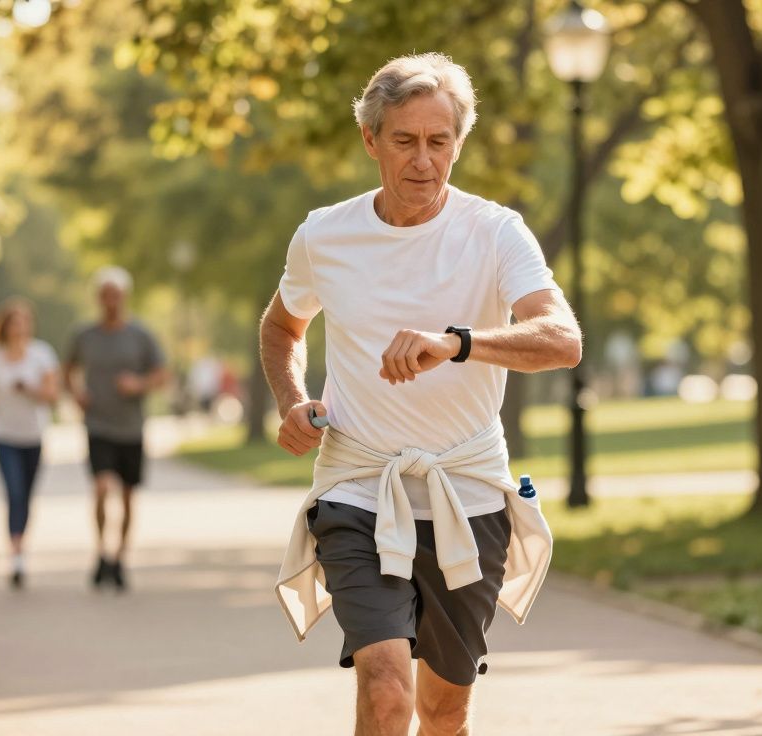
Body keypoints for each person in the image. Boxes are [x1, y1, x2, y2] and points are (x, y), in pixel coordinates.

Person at [262, 53, 582, 736]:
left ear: (458, 144)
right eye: (404, 141)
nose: (423, 161)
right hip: (358, 488)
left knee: (443, 712)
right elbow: (282, 327)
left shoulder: (495, 232)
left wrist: (457, 342)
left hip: (466, 495)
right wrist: (292, 398)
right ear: (370, 140)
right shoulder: (324, 234)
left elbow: (562, 339)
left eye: (440, 142)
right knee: (385, 691)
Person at [64, 267, 167, 591]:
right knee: (101, 487)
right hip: (97, 423)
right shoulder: (85, 335)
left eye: (116, 295)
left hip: (131, 427)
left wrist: (139, 384)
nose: (111, 301)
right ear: (99, 298)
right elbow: (67, 369)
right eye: (105, 295)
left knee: (126, 496)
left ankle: (120, 557)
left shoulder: (141, 335)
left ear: (124, 297)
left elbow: (162, 374)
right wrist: (76, 392)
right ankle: (100, 552)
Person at [0, 298, 60, 589]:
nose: (20, 327)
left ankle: (21, 543)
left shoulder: (42, 354)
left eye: (24, 321)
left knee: (27, 496)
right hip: (4, 435)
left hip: (33, 436)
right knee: (14, 492)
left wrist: (30, 389)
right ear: (5, 326)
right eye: (14, 321)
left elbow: (52, 394)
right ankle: (16, 555)